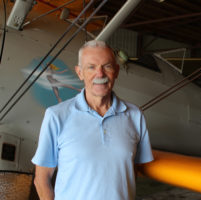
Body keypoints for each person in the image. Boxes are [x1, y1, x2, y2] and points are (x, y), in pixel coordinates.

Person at [32, 40, 154, 200]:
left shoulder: (135, 116)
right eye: (91, 67)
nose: (100, 74)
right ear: (79, 72)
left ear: (116, 71)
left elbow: (133, 172)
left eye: (107, 66)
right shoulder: (56, 116)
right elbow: (41, 179)